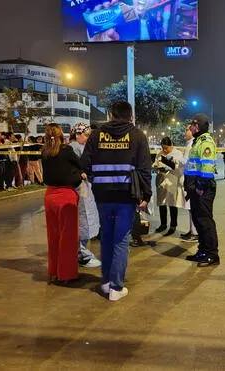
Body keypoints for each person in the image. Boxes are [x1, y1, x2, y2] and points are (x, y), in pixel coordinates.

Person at [81, 100, 152, 301]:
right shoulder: (137, 136)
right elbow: (145, 168)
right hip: (126, 195)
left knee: (107, 238)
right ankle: (116, 287)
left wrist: (96, 178)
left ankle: (105, 283)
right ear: (131, 116)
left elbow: (84, 164)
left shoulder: (96, 135)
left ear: (111, 115)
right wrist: (146, 195)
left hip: (102, 195)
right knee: (121, 239)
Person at [42, 123, 85, 284]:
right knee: (68, 237)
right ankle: (66, 273)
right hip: (66, 196)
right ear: (61, 134)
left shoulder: (44, 151)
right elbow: (79, 165)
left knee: (53, 236)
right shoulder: (66, 150)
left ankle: (53, 271)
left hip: (50, 196)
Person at [184, 114, 220, 267]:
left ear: (196, 126)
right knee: (199, 221)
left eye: (191, 125)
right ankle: (202, 251)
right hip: (195, 188)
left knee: (205, 222)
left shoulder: (206, 142)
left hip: (202, 189)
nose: (190, 128)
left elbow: (206, 167)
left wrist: (200, 187)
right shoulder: (197, 141)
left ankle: (212, 254)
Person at [69, 123, 101, 269]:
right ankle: (81, 254)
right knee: (82, 219)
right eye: (86, 135)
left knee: (86, 218)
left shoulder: (80, 147)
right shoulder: (74, 148)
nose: (88, 139)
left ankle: (81, 251)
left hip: (85, 188)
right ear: (77, 134)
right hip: (80, 189)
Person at [153, 137, 185, 236]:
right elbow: (156, 163)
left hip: (172, 181)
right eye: (163, 148)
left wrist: (169, 167)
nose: (164, 150)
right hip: (162, 181)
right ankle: (163, 224)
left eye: (166, 148)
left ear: (171, 145)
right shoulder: (160, 153)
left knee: (172, 204)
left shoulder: (178, 154)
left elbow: (180, 167)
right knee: (162, 204)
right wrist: (156, 167)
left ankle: (173, 225)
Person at [180, 125, 198, 241]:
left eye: (187, 130)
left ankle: (194, 233)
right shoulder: (190, 143)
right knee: (190, 207)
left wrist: (176, 158)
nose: (185, 132)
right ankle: (192, 231)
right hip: (189, 179)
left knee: (192, 207)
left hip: (192, 179)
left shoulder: (192, 144)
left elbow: (185, 161)